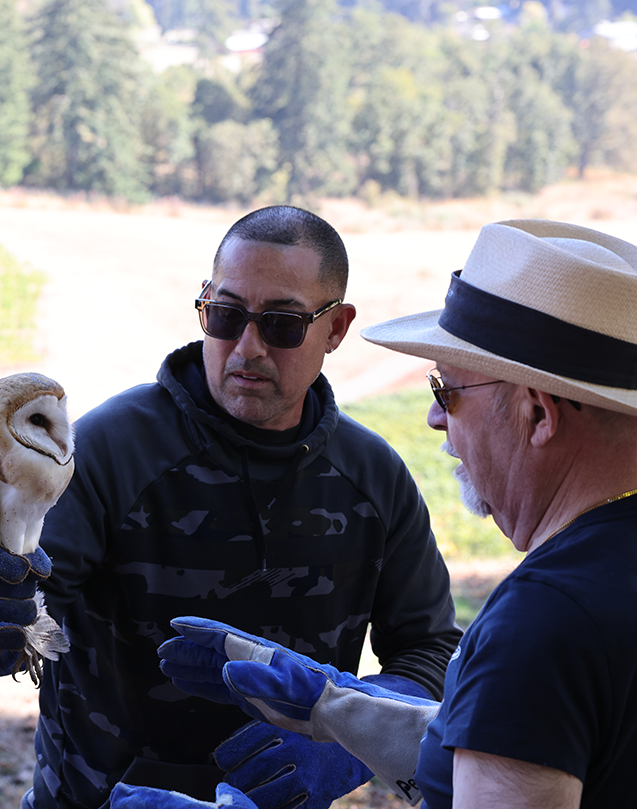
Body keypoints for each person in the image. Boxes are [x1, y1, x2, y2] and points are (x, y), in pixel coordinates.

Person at [0, 205, 462, 809]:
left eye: (282, 324)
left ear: (336, 328)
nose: (248, 347)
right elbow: (23, 622)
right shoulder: (111, 450)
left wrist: (350, 741)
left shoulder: (374, 479)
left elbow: (429, 652)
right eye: (226, 315)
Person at [157, 218, 637, 808]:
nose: (437, 420)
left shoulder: (545, 620)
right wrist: (338, 710)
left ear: (537, 416)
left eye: (448, 392)